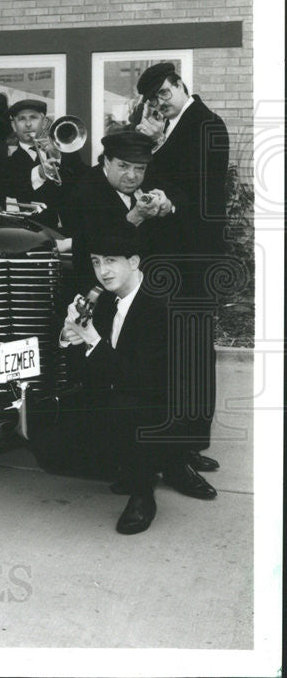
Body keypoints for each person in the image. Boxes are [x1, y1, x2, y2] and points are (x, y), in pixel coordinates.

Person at [38, 232, 176, 535]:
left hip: (159, 407)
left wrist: (92, 340)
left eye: (111, 261)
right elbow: (73, 349)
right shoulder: (100, 296)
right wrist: (70, 334)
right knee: (50, 444)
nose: (103, 271)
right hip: (119, 392)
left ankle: (143, 493)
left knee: (128, 407)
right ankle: (123, 464)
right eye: (97, 262)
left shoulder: (159, 306)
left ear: (135, 262)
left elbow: (142, 382)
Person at [133, 62, 228, 489]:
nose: (160, 103)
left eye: (165, 94)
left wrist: (171, 203)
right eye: (154, 99)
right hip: (165, 259)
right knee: (171, 354)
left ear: (180, 85)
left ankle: (187, 448)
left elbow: (206, 191)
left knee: (192, 355)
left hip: (193, 259)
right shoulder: (164, 132)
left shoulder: (208, 124)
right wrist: (148, 148)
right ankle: (179, 448)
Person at [62, 130, 179, 294]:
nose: (132, 176)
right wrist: (135, 217)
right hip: (101, 292)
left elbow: (181, 202)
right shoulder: (84, 192)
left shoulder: (149, 178)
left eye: (139, 168)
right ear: (107, 162)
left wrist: (168, 206)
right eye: (123, 166)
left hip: (150, 287)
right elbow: (98, 247)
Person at [0, 99, 87, 229]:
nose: (28, 124)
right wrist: (40, 173)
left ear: (45, 122)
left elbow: (84, 182)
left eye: (33, 118)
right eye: (22, 119)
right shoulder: (6, 162)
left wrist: (58, 157)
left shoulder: (67, 152)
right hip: (32, 233)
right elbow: (14, 192)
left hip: (71, 232)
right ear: (14, 125)